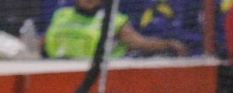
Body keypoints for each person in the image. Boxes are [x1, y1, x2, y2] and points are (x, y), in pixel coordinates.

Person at [44, 0, 188, 59]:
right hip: (58, 73)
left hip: (97, 78)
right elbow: (42, 42)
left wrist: (169, 44)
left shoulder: (113, 20)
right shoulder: (61, 15)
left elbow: (139, 43)